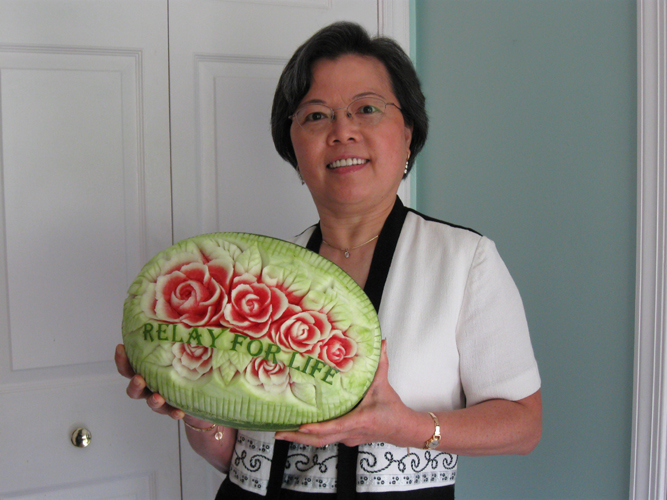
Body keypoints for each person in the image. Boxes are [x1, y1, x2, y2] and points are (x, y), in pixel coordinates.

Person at [115, 21, 541, 499]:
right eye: (316, 116)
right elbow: (238, 460)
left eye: (367, 109)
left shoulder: (464, 261)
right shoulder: (256, 274)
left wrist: (404, 427)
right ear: (294, 148)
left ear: (407, 132)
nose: (342, 131)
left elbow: (523, 426)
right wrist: (194, 409)